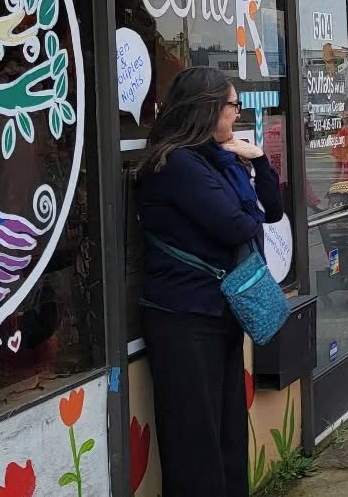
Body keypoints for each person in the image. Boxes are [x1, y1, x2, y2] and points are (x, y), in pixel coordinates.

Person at [136, 66, 285, 497]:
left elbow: (272, 212)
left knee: (229, 435)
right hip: (184, 318)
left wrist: (258, 161)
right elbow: (238, 226)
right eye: (232, 105)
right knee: (195, 444)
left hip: (219, 313)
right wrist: (247, 204)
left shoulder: (217, 159)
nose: (237, 114)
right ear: (207, 109)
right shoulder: (177, 164)